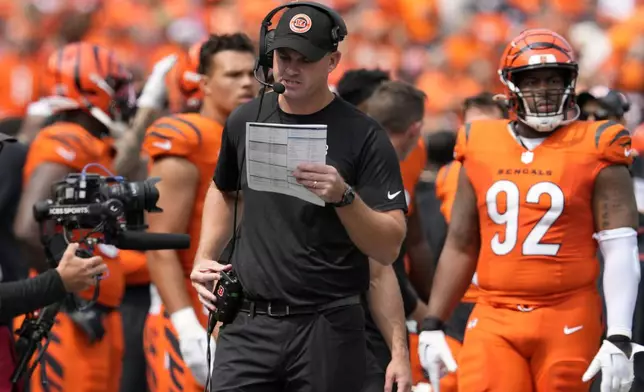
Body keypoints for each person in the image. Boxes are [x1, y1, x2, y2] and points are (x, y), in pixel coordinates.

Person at [190, 3, 407, 391]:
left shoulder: (364, 136)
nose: (290, 69)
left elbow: (388, 247)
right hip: (249, 324)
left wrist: (345, 197)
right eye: (282, 56)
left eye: (304, 59)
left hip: (326, 325)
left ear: (333, 61)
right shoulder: (245, 119)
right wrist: (205, 254)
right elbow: (224, 191)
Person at [418, 28, 643, 392]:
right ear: (510, 85)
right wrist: (433, 321)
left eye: (553, 79)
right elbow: (461, 244)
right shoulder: (479, 142)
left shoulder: (599, 143)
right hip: (494, 313)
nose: (543, 90)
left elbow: (619, 246)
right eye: (532, 80)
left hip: (567, 313)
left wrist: (619, 333)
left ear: (570, 82)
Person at [13, 42, 136, 392]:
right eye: (115, 85)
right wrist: (70, 297)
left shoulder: (92, 141)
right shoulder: (65, 138)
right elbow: (28, 227)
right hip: (65, 314)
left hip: (95, 309)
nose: (124, 95)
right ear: (88, 86)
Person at [143, 33, 257, 392]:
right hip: (191, 307)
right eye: (232, 74)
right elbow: (160, 245)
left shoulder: (252, 132)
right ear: (204, 83)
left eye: (250, 73)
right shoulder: (188, 137)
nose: (245, 82)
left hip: (241, 310)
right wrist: (185, 323)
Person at [428, 94, 508, 392]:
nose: (478, 136)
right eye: (471, 127)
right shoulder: (450, 174)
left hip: (501, 296)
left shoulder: (520, 171)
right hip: (461, 296)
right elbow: (449, 240)